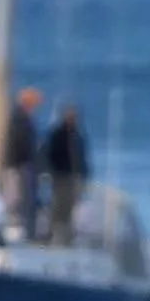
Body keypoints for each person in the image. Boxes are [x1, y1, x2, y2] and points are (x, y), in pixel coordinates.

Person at [43, 103, 90, 247]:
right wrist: (52, 171)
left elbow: (81, 157)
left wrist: (83, 173)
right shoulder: (58, 134)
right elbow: (50, 154)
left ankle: (66, 237)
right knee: (57, 206)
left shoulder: (77, 135)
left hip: (73, 177)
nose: (72, 119)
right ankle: (51, 234)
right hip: (60, 176)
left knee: (70, 208)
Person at [1, 86, 42, 240]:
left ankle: (20, 226)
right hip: (16, 165)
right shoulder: (18, 119)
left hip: (21, 165)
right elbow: (18, 143)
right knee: (14, 197)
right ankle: (12, 226)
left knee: (22, 197)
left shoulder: (23, 119)